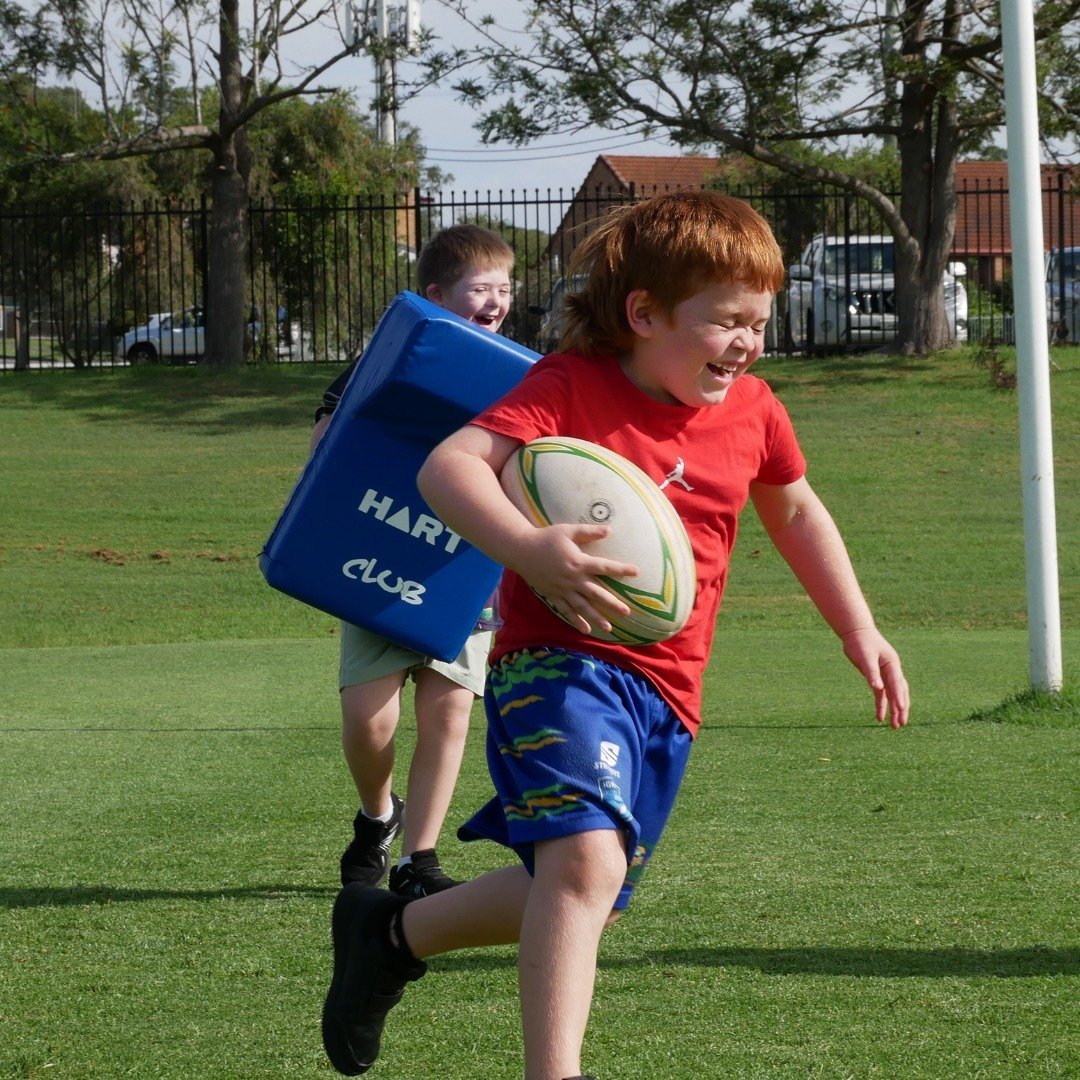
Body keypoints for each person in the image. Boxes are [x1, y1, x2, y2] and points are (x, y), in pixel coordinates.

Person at [320, 191, 910, 1079]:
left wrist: (856, 625)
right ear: (644, 313)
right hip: (558, 664)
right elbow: (448, 469)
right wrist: (526, 548)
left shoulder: (752, 409)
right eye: (726, 322)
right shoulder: (569, 385)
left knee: (588, 888)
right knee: (586, 863)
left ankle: (391, 935)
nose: (748, 343)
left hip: (669, 690)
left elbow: (793, 509)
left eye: (760, 322)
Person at [310, 224, 515, 899]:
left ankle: (417, 859)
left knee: (450, 709)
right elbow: (329, 434)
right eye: (479, 288)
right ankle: (378, 816)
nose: (495, 300)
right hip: (381, 556)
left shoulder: (523, 376)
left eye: (504, 289)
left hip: (461, 568)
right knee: (370, 720)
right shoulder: (394, 355)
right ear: (435, 295)